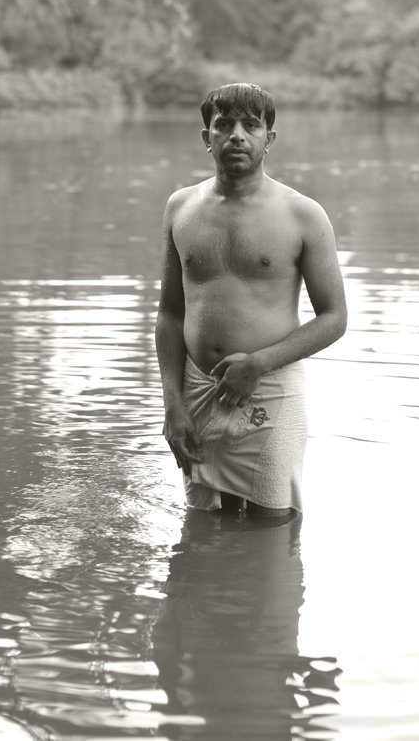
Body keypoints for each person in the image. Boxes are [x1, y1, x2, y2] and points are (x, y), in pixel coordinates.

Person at [155, 83, 347, 516]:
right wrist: (172, 403)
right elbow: (170, 314)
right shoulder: (180, 208)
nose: (236, 135)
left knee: (271, 527)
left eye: (250, 126)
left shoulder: (303, 214)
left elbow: (334, 318)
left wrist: (258, 364)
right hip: (198, 390)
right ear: (207, 138)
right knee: (202, 526)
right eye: (223, 125)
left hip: (269, 389)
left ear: (268, 140)